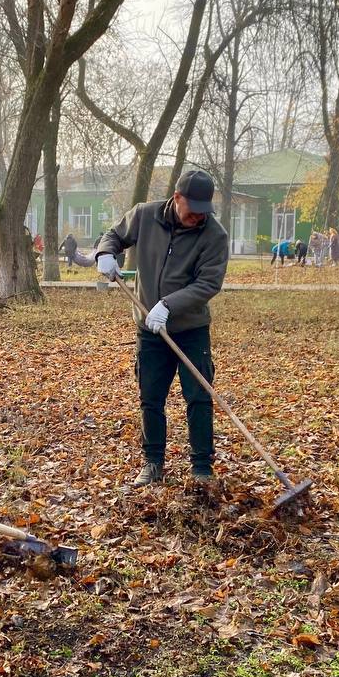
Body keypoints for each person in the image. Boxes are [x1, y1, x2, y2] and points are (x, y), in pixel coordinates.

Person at [95, 169, 229, 487]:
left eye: (203, 210)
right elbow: (113, 235)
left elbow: (209, 282)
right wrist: (105, 253)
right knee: (151, 397)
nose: (198, 216)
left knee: (199, 396)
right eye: (192, 208)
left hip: (191, 329)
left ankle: (201, 468)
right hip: (149, 330)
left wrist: (169, 305)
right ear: (176, 197)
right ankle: (152, 463)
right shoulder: (145, 215)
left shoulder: (214, 235)